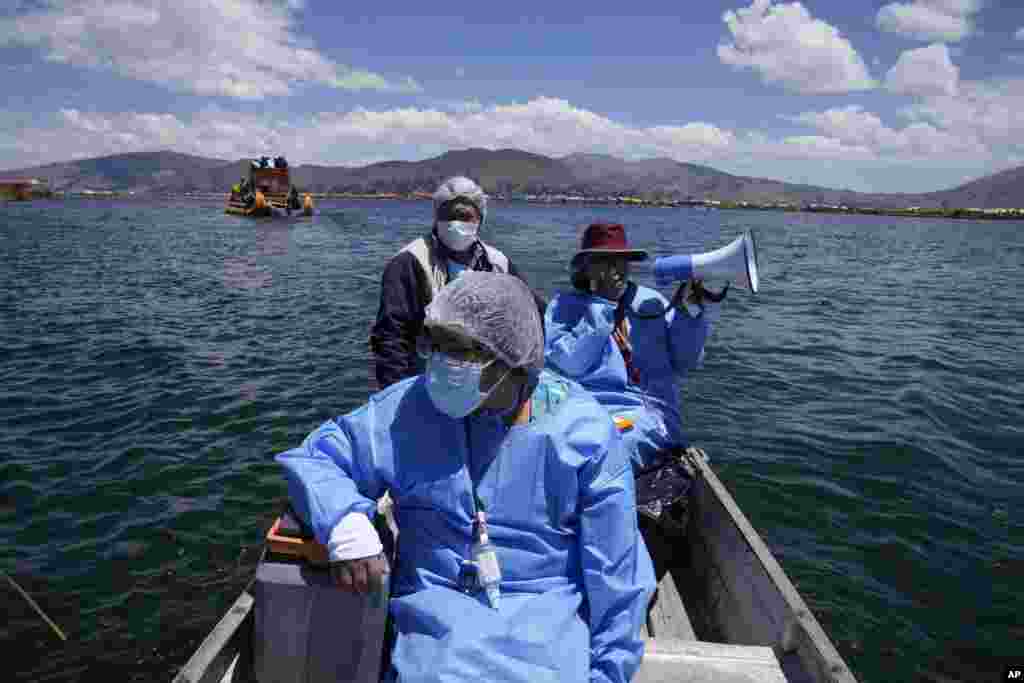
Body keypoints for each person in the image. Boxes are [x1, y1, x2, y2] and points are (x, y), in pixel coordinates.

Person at [277, 272, 655, 683]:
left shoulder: (584, 432)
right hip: (436, 621)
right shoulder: (408, 407)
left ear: (513, 360)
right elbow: (317, 458)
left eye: (459, 352)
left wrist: (608, 673)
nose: (438, 363)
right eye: (434, 345)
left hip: (547, 622)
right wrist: (344, 521)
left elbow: (616, 571)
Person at [544, 223, 722, 537]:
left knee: (607, 445)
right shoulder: (564, 307)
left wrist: (690, 314)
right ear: (586, 266)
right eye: (604, 261)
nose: (615, 269)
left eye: (620, 261)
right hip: (591, 412)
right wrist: (602, 307)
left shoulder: (650, 301)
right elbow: (570, 363)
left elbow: (686, 361)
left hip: (651, 415)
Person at [370, 176, 546, 390]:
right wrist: (395, 392)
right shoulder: (409, 262)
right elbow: (391, 336)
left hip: (484, 382)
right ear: (436, 218)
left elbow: (531, 315)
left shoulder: (498, 263)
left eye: (464, 216)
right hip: (424, 381)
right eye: (449, 215)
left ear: (480, 219)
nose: (456, 223)